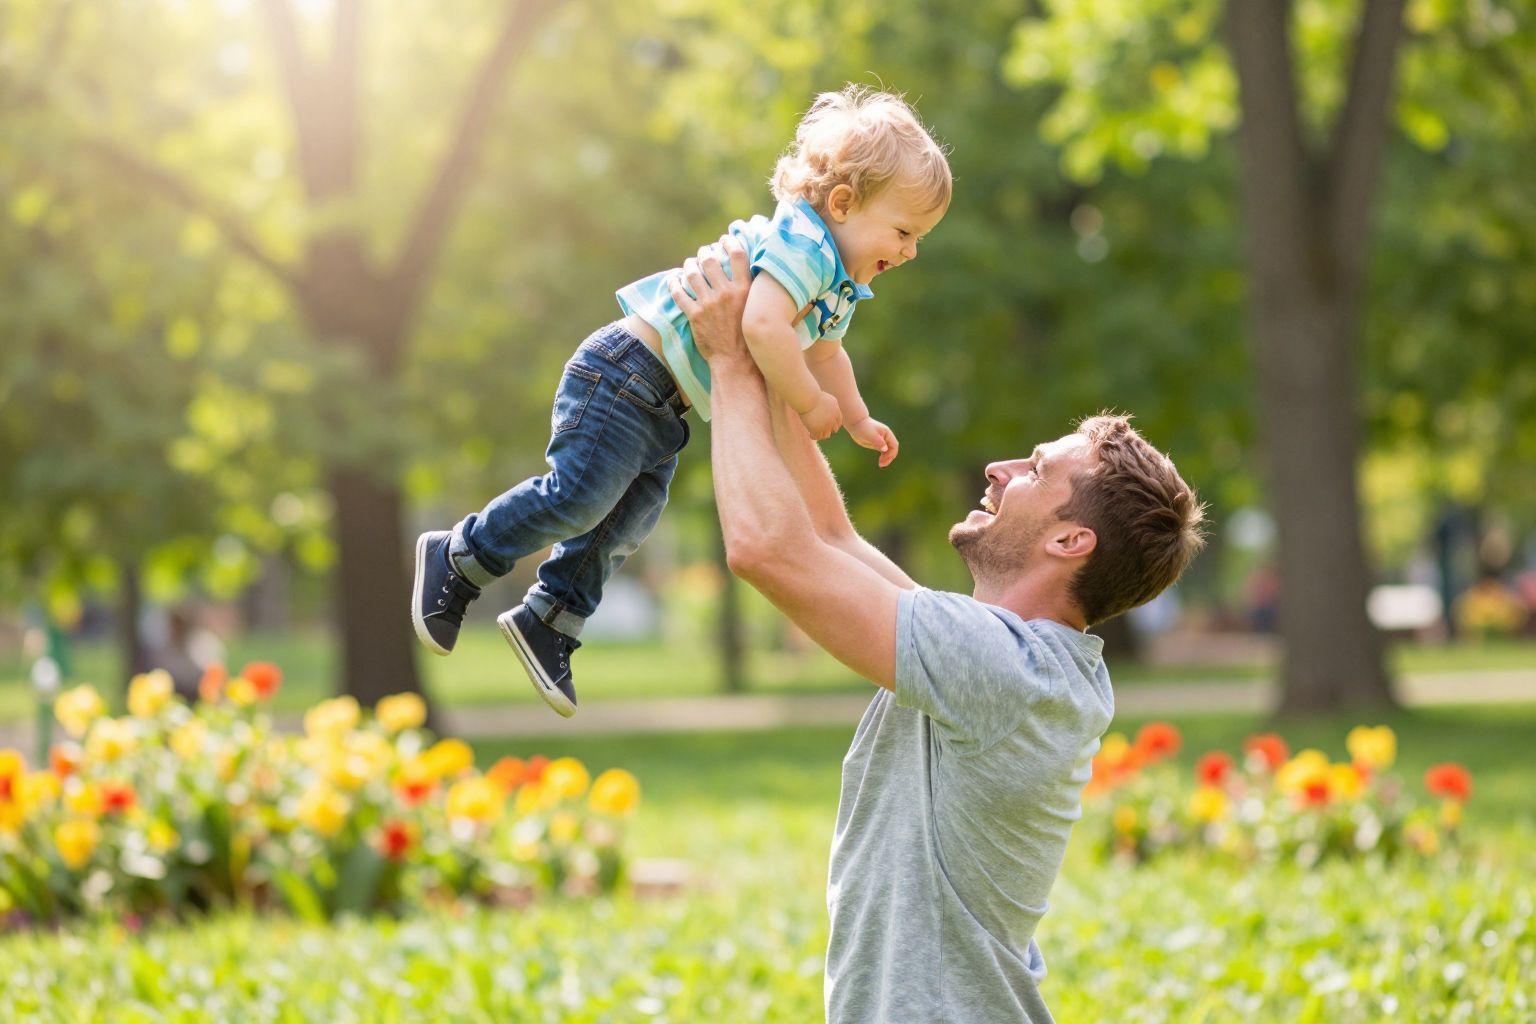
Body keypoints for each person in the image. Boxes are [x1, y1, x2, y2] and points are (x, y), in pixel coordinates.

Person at [670, 239, 1206, 1024]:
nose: (997, 468)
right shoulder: (1014, 660)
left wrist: (727, 363)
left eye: (1033, 470)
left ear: (1069, 541)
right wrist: (771, 343)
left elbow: (768, 549)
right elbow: (830, 539)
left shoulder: (1002, 669)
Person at [411, 85, 951, 717]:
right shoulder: (804, 247)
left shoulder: (837, 280)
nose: (910, 251)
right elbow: (764, 330)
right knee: (581, 494)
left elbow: (827, 353)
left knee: (629, 517)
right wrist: (809, 404)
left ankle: (551, 617)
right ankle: (461, 554)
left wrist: (855, 416)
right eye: (904, 230)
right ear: (842, 202)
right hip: (624, 374)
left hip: (664, 403)